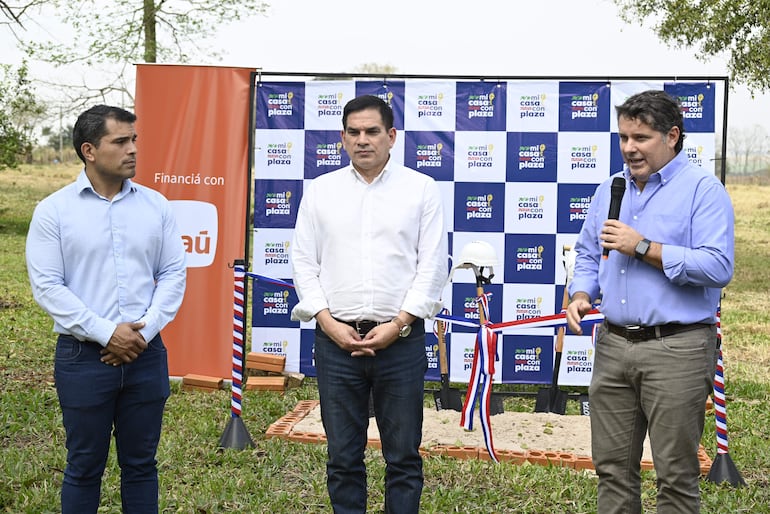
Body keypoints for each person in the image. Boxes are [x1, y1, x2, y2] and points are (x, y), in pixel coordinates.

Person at [566, 90, 734, 513]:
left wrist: (643, 247)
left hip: (677, 348)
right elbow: (588, 252)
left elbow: (718, 267)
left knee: (675, 475)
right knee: (612, 470)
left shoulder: (703, 190)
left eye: (640, 137)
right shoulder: (611, 188)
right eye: (623, 137)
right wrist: (582, 293)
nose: (628, 148)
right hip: (613, 344)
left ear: (672, 135)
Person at [26, 105, 187, 513]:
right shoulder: (54, 211)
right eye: (121, 141)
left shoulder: (156, 206)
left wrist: (141, 333)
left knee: (141, 465)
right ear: (89, 150)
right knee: (83, 466)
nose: (133, 149)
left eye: (134, 140)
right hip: (82, 358)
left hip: (146, 355)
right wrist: (106, 332)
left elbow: (172, 274)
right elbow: (48, 287)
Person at [291, 95, 447, 513]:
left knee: (403, 458)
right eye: (354, 132)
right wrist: (326, 322)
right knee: (342, 458)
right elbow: (304, 264)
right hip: (335, 342)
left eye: (372, 132)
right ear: (342, 138)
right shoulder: (321, 191)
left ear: (391, 136)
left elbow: (432, 267)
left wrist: (397, 325)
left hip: (401, 342)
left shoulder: (421, 190)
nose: (363, 140)